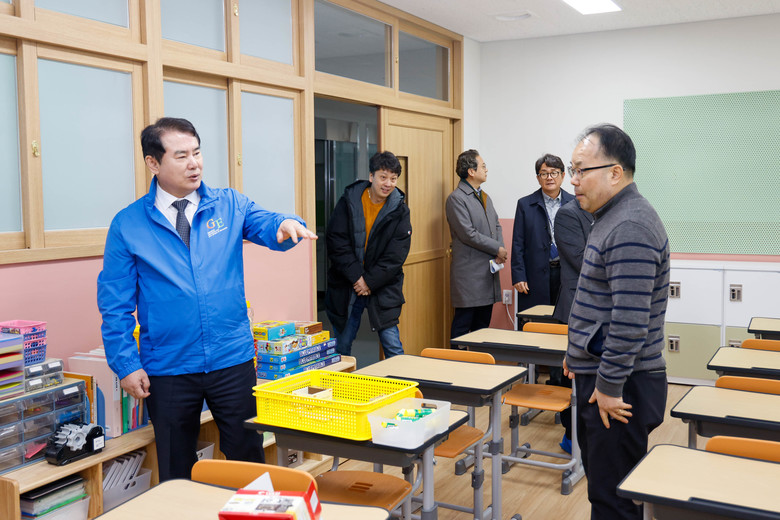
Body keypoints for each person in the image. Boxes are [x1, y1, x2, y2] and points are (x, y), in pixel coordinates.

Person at [97, 117, 316, 481]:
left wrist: (285, 224)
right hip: (168, 365)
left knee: (247, 456)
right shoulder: (128, 224)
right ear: (153, 163)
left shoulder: (229, 204)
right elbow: (114, 304)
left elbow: (266, 222)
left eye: (197, 153)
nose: (194, 163)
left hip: (231, 358)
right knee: (175, 467)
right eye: (181, 155)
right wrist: (126, 364)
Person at [563, 124, 669, 520]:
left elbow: (629, 321)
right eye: (572, 170)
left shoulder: (629, 225)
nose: (573, 180)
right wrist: (576, 352)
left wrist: (608, 386)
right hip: (607, 376)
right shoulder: (610, 217)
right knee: (606, 490)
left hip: (620, 386)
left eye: (580, 170)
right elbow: (600, 301)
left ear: (615, 173)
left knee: (614, 501)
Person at [324, 151, 411, 358]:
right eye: (383, 177)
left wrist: (369, 281)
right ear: (371, 176)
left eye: (393, 179)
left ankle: (401, 380)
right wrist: (357, 278)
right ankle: (340, 380)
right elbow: (336, 242)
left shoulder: (400, 210)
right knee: (341, 348)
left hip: (383, 286)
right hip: (348, 283)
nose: (388, 184)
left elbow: (395, 256)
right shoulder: (349, 201)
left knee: (393, 346)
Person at [446, 149, 507, 339]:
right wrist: (496, 248)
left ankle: (478, 358)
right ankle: (456, 358)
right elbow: (468, 234)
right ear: (471, 171)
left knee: (482, 326)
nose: (486, 170)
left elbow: (496, 225)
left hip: (487, 272)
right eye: (483, 166)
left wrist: (500, 249)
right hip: (469, 276)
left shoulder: (485, 196)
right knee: (463, 325)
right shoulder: (456, 199)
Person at [551, 198, 594, 454]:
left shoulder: (604, 211)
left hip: (599, 306)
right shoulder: (568, 214)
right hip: (578, 304)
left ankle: (586, 437)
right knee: (574, 378)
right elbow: (582, 260)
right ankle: (571, 436)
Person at [511, 153, 574, 312]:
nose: (549, 177)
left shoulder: (576, 203)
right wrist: (518, 276)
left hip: (566, 272)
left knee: (565, 319)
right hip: (536, 273)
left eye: (554, 173)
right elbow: (518, 243)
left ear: (563, 175)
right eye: (544, 174)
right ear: (538, 178)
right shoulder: (525, 204)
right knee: (537, 318)